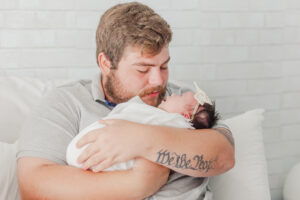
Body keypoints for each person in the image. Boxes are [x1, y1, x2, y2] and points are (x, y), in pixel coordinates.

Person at [17, 2, 235, 200]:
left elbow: (224, 155)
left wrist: (137, 138)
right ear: (105, 63)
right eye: (143, 69)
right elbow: (33, 185)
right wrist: (139, 183)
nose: (158, 80)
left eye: (164, 66)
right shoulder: (67, 102)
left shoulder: (182, 101)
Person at [66, 88, 219, 200]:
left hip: (85, 157)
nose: (172, 94)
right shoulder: (157, 115)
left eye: (179, 96)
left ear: (185, 115)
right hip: (87, 154)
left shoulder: (177, 124)